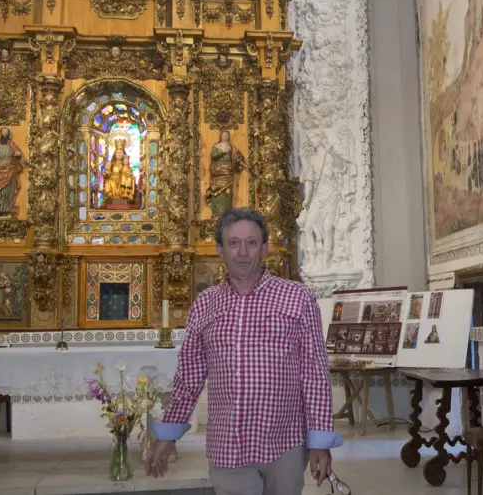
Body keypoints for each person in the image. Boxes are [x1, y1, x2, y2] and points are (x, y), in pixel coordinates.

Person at [146, 208, 342, 494]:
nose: (242, 252)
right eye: (233, 243)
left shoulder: (297, 298)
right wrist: (168, 434)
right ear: (220, 249)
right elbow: (189, 378)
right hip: (229, 446)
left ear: (264, 248)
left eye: (251, 243)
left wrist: (319, 442)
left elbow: (314, 374)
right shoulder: (205, 305)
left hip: (284, 442)